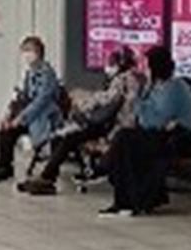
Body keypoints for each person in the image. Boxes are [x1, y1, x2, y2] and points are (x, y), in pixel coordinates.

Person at [19, 47, 143, 196]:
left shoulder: (124, 80)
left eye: (111, 63)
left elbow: (108, 101)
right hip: (110, 124)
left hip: (113, 126)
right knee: (67, 136)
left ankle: (47, 178)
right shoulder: (130, 78)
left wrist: (84, 104)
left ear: (121, 64)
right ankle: (47, 177)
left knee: (69, 137)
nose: (108, 67)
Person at [102, 46, 191, 217]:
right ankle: (124, 201)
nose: (144, 69)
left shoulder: (174, 88)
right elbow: (146, 120)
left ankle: (124, 194)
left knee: (125, 140)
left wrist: (138, 102)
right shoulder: (153, 86)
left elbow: (156, 121)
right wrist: (141, 103)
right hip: (157, 135)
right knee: (125, 140)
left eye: (147, 66)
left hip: (177, 138)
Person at [0, 36, 61, 184]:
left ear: (39, 52)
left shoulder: (48, 74)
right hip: (29, 117)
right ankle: (4, 166)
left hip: (43, 118)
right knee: (6, 130)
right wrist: (9, 114)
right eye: (24, 51)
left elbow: (40, 102)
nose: (26, 54)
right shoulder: (29, 73)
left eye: (29, 50)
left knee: (14, 127)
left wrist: (20, 119)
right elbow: (22, 97)